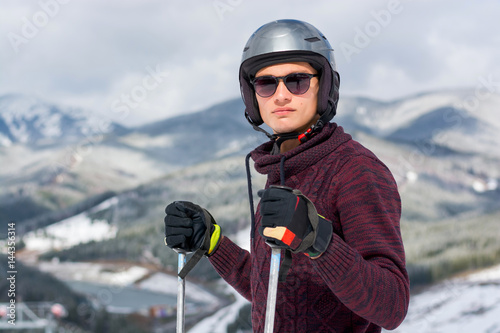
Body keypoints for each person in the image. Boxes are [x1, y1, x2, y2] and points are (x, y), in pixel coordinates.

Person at [164, 19, 409, 332]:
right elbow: (274, 292)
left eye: (297, 81)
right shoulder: (282, 168)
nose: (280, 96)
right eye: (266, 84)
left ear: (325, 86)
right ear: (252, 96)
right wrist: (211, 242)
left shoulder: (355, 170)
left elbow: (392, 306)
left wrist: (317, 238)